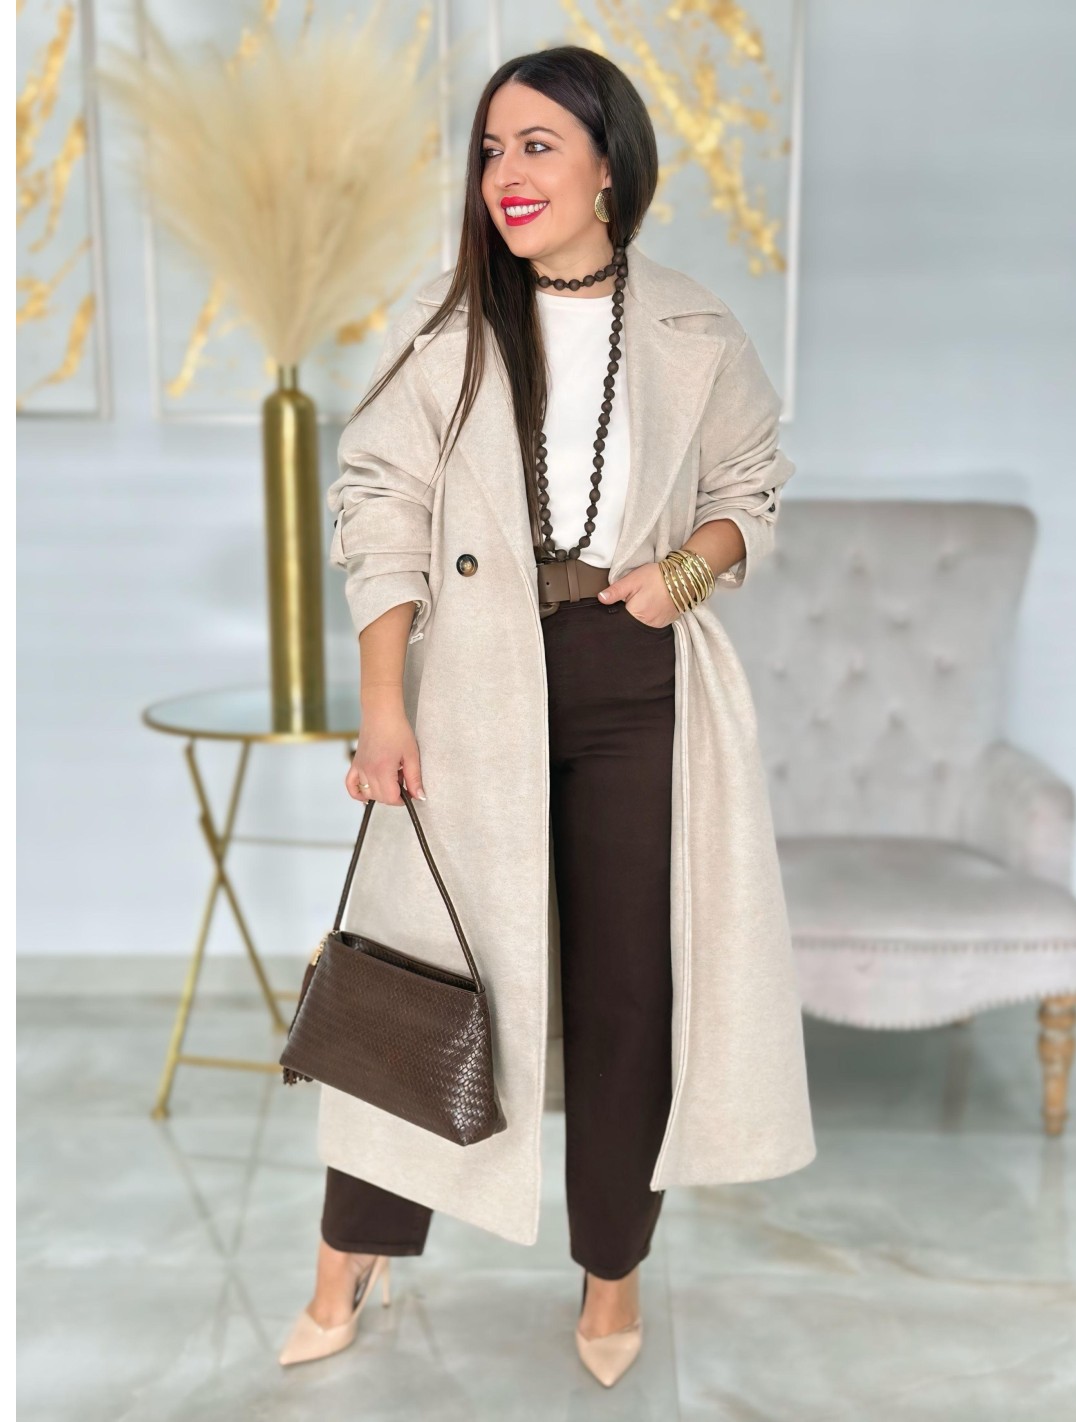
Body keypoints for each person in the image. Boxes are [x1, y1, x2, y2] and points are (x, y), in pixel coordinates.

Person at [279, 44, 815, 1385]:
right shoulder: (445, 326)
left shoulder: (694, 327)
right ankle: (350, 1251)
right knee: (420, 970)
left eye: (536, 146)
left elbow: (751, 486)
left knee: (629, 991)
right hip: (472, 682)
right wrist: (385, 707)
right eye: (490, 150)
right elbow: (379, 510)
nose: (505, 175)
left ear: (609, 165)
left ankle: (612, 1271)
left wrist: (683, 573)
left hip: (635, 682)